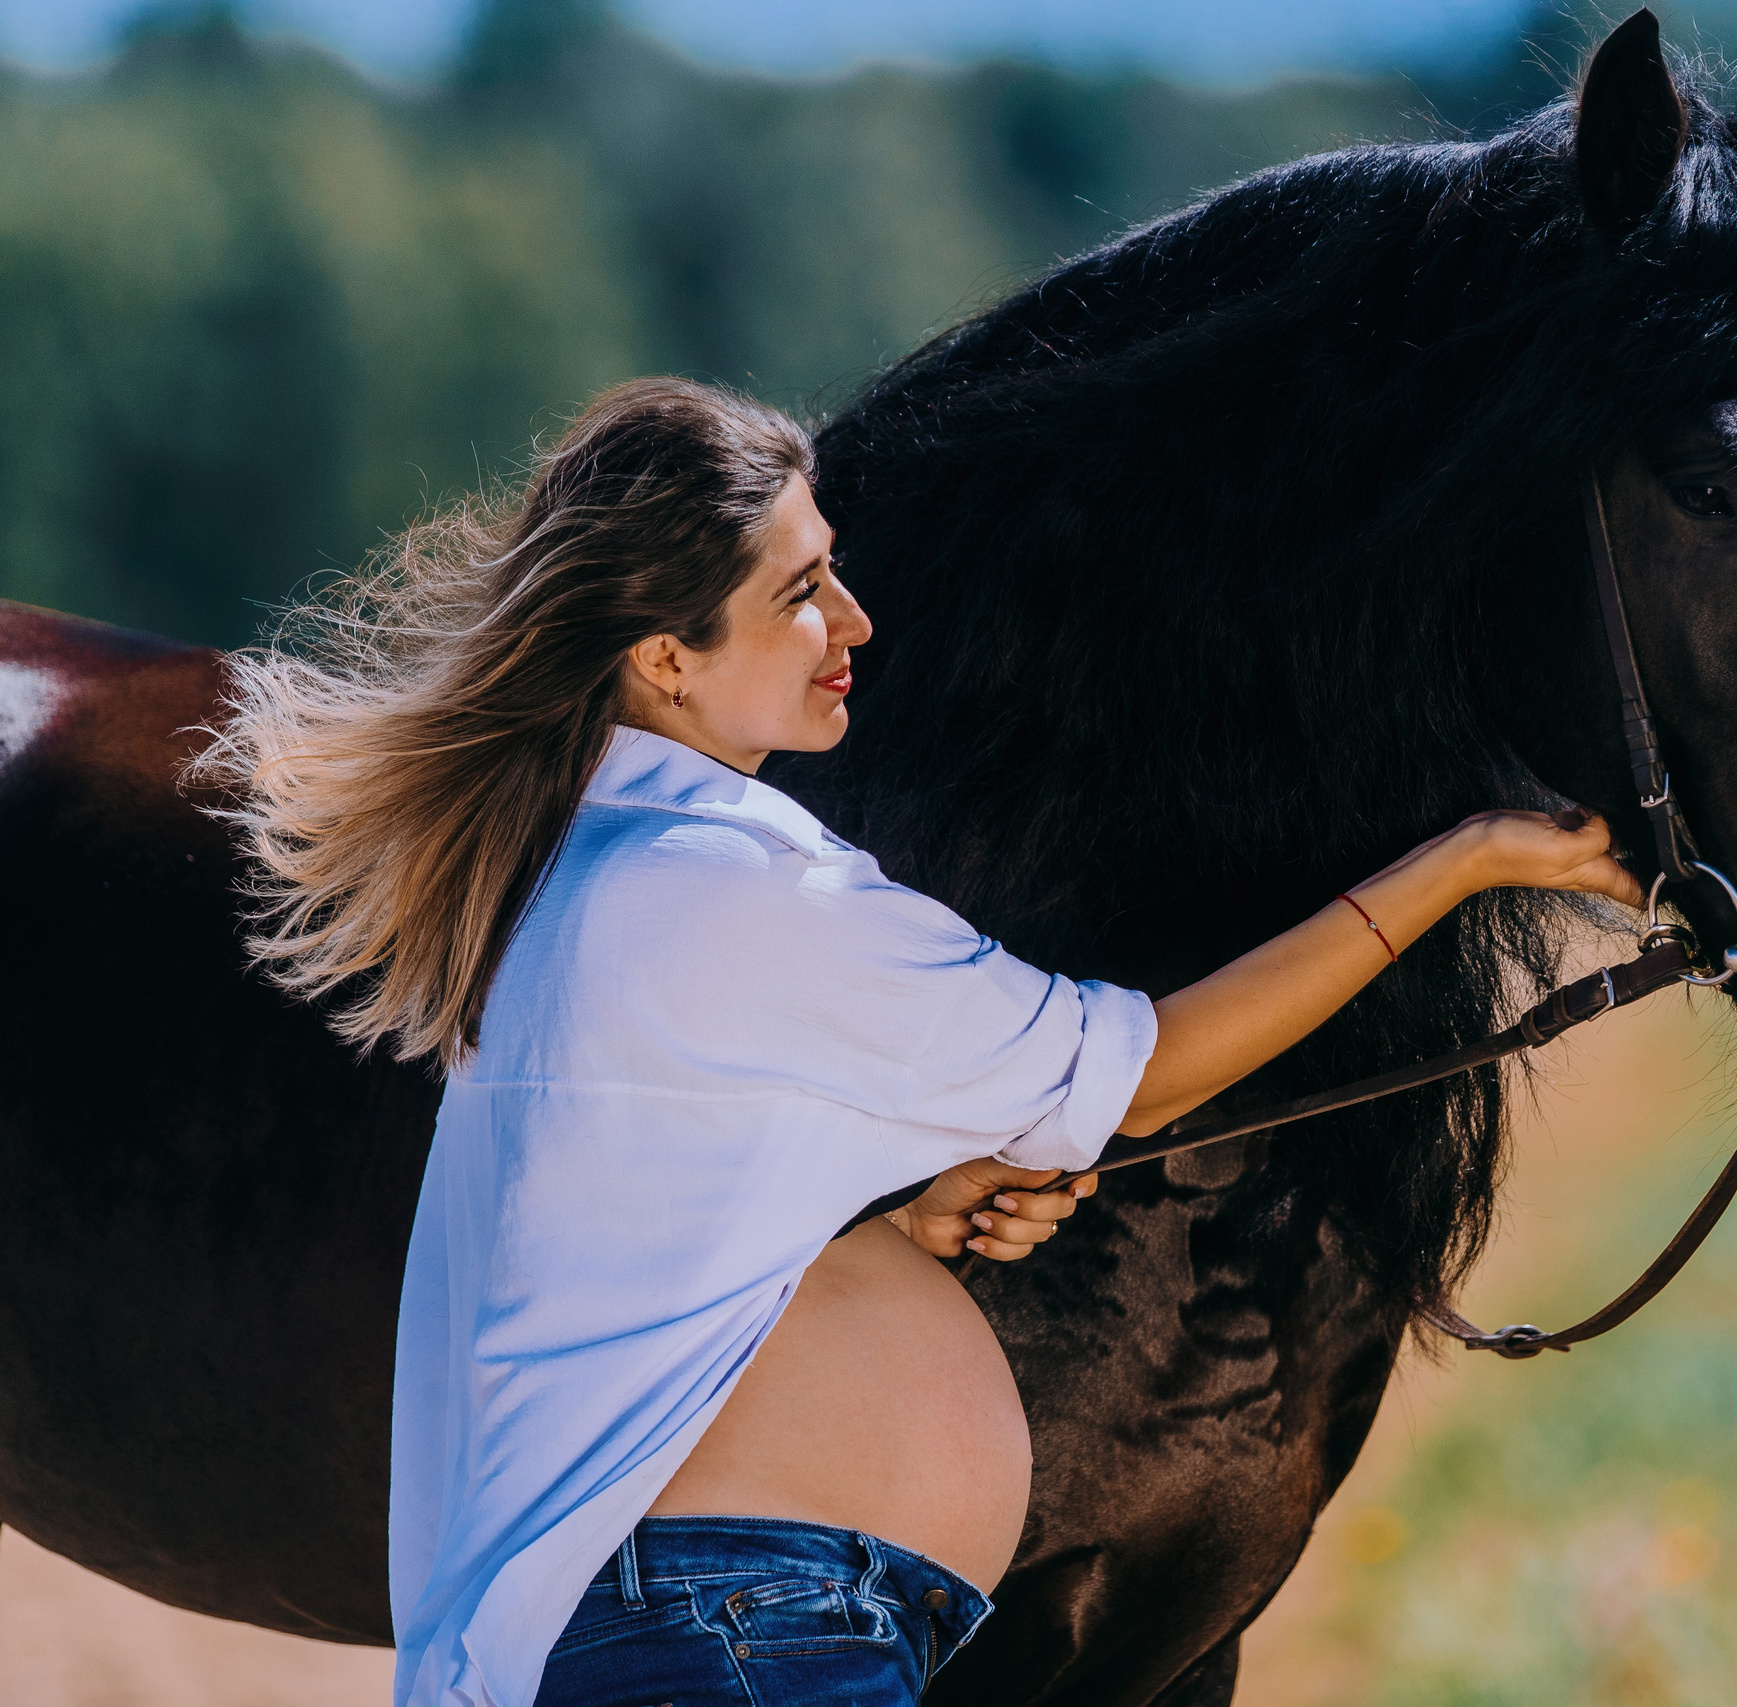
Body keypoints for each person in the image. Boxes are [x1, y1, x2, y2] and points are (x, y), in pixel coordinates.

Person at [195, 376, 1643, 1707]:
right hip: (725, 1633)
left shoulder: (578, 880)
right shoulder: (738, 887)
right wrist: (1465, 861)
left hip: (691, 1627)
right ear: (667, 657)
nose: (855, 623)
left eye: (832, 571)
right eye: (801, 593)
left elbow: (648, 1251)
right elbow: (1144, 1074)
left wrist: (878, 1236)